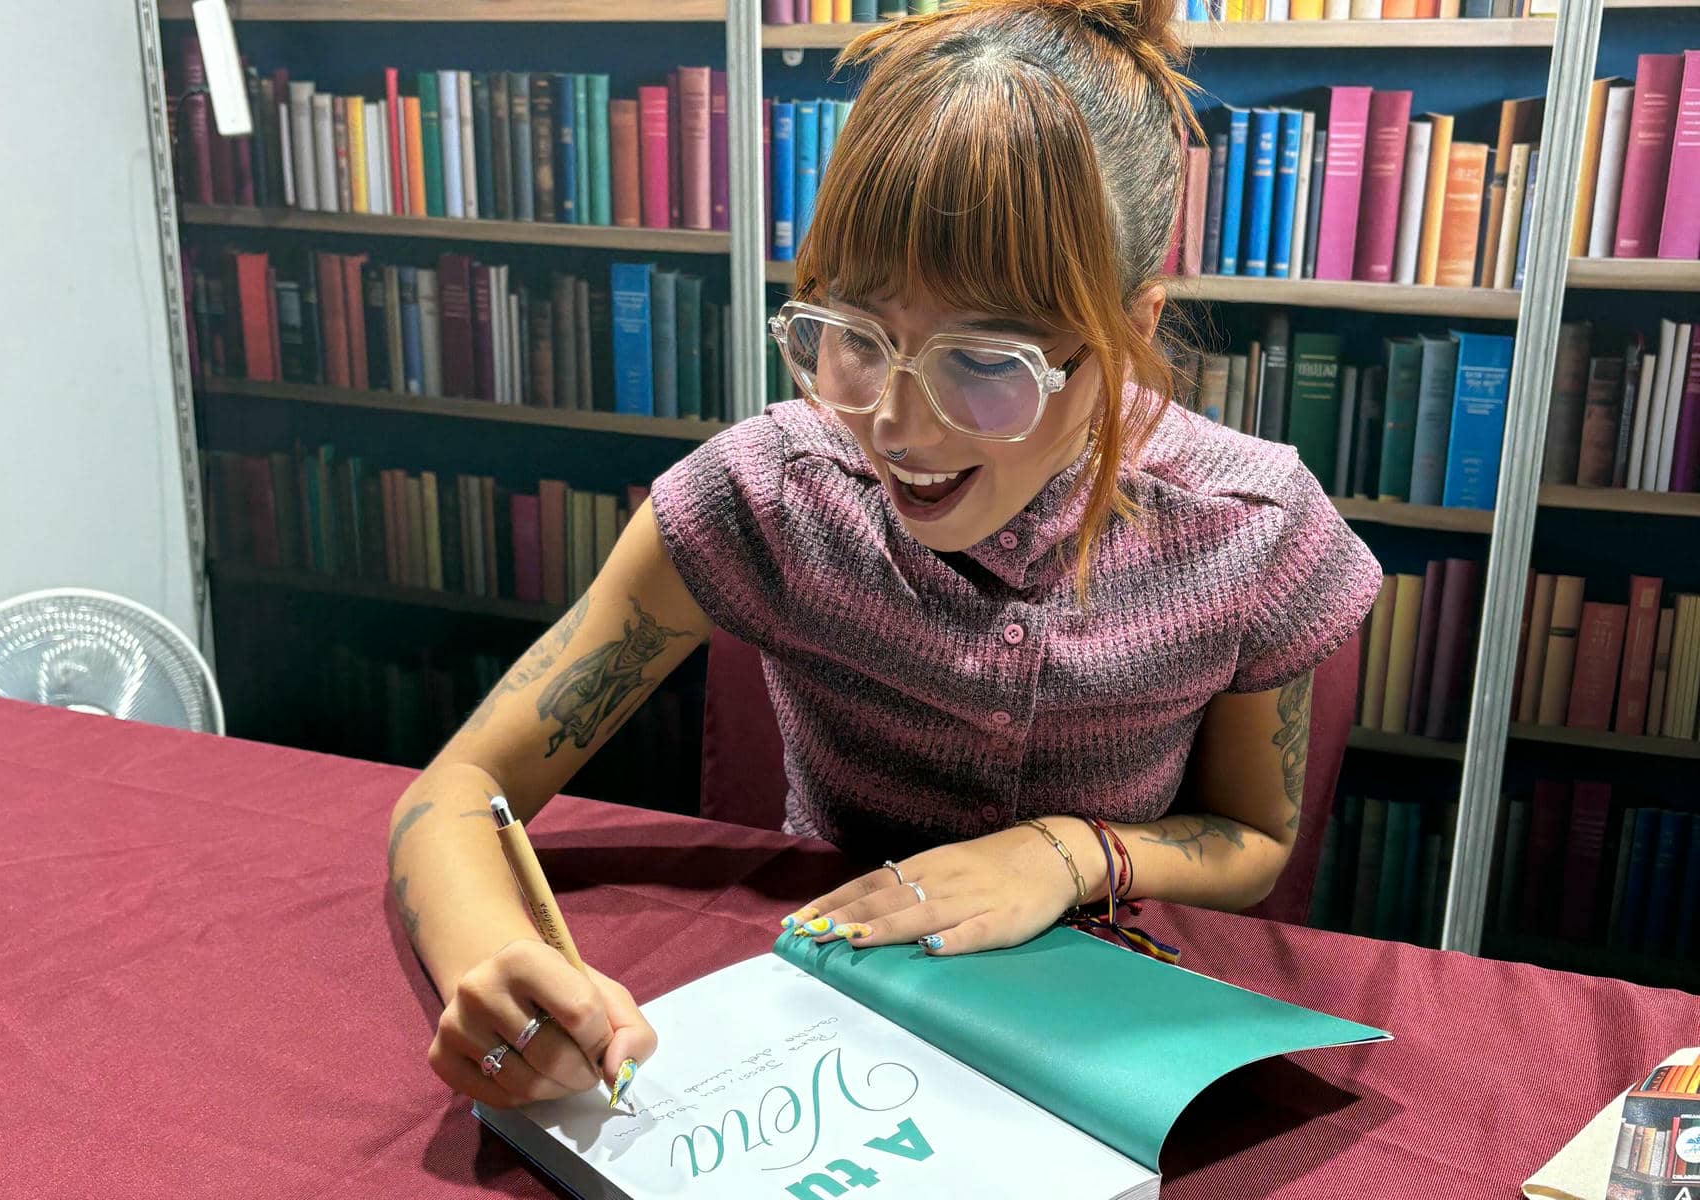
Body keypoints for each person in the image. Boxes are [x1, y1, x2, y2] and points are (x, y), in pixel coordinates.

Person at [385, 0, 1382, 1116]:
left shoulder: (1250, 527)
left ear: (1130, 324)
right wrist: (488, 971)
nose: (898, 426)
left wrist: (1062, 855)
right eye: (853, 337)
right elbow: (464, 787)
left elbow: (1254, 839)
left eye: (985, 361)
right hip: (820, 1041)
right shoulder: (767, 495)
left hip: (1106, 1038)